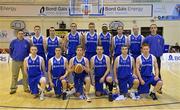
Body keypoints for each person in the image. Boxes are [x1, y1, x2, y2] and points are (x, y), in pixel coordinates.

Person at [143, 24, 164, 93]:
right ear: (150, 29)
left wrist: (159, 53)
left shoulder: (160, 38)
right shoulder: (147, 38)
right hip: (148, 59)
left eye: (154, 28)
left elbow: (162, 47)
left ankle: (159, 88)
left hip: (157, 58)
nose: (153, 29)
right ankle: (146, 87)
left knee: (158, 72)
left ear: (156, 29)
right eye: (151, 28)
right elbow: (144, 47)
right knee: (147, 73)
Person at [9, 30, 30, 94]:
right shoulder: (13, 42)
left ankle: (26, 88)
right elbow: (10, 50)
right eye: (19, 33)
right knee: (14, 75)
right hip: (15, 61)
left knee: (25, 75)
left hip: (24, 62)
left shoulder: (26, 42)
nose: (21, 35)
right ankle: (13, 88)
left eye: (22, 33)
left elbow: (29, 51)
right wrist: (13, 57)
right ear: (17, 34)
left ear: (23, 34)